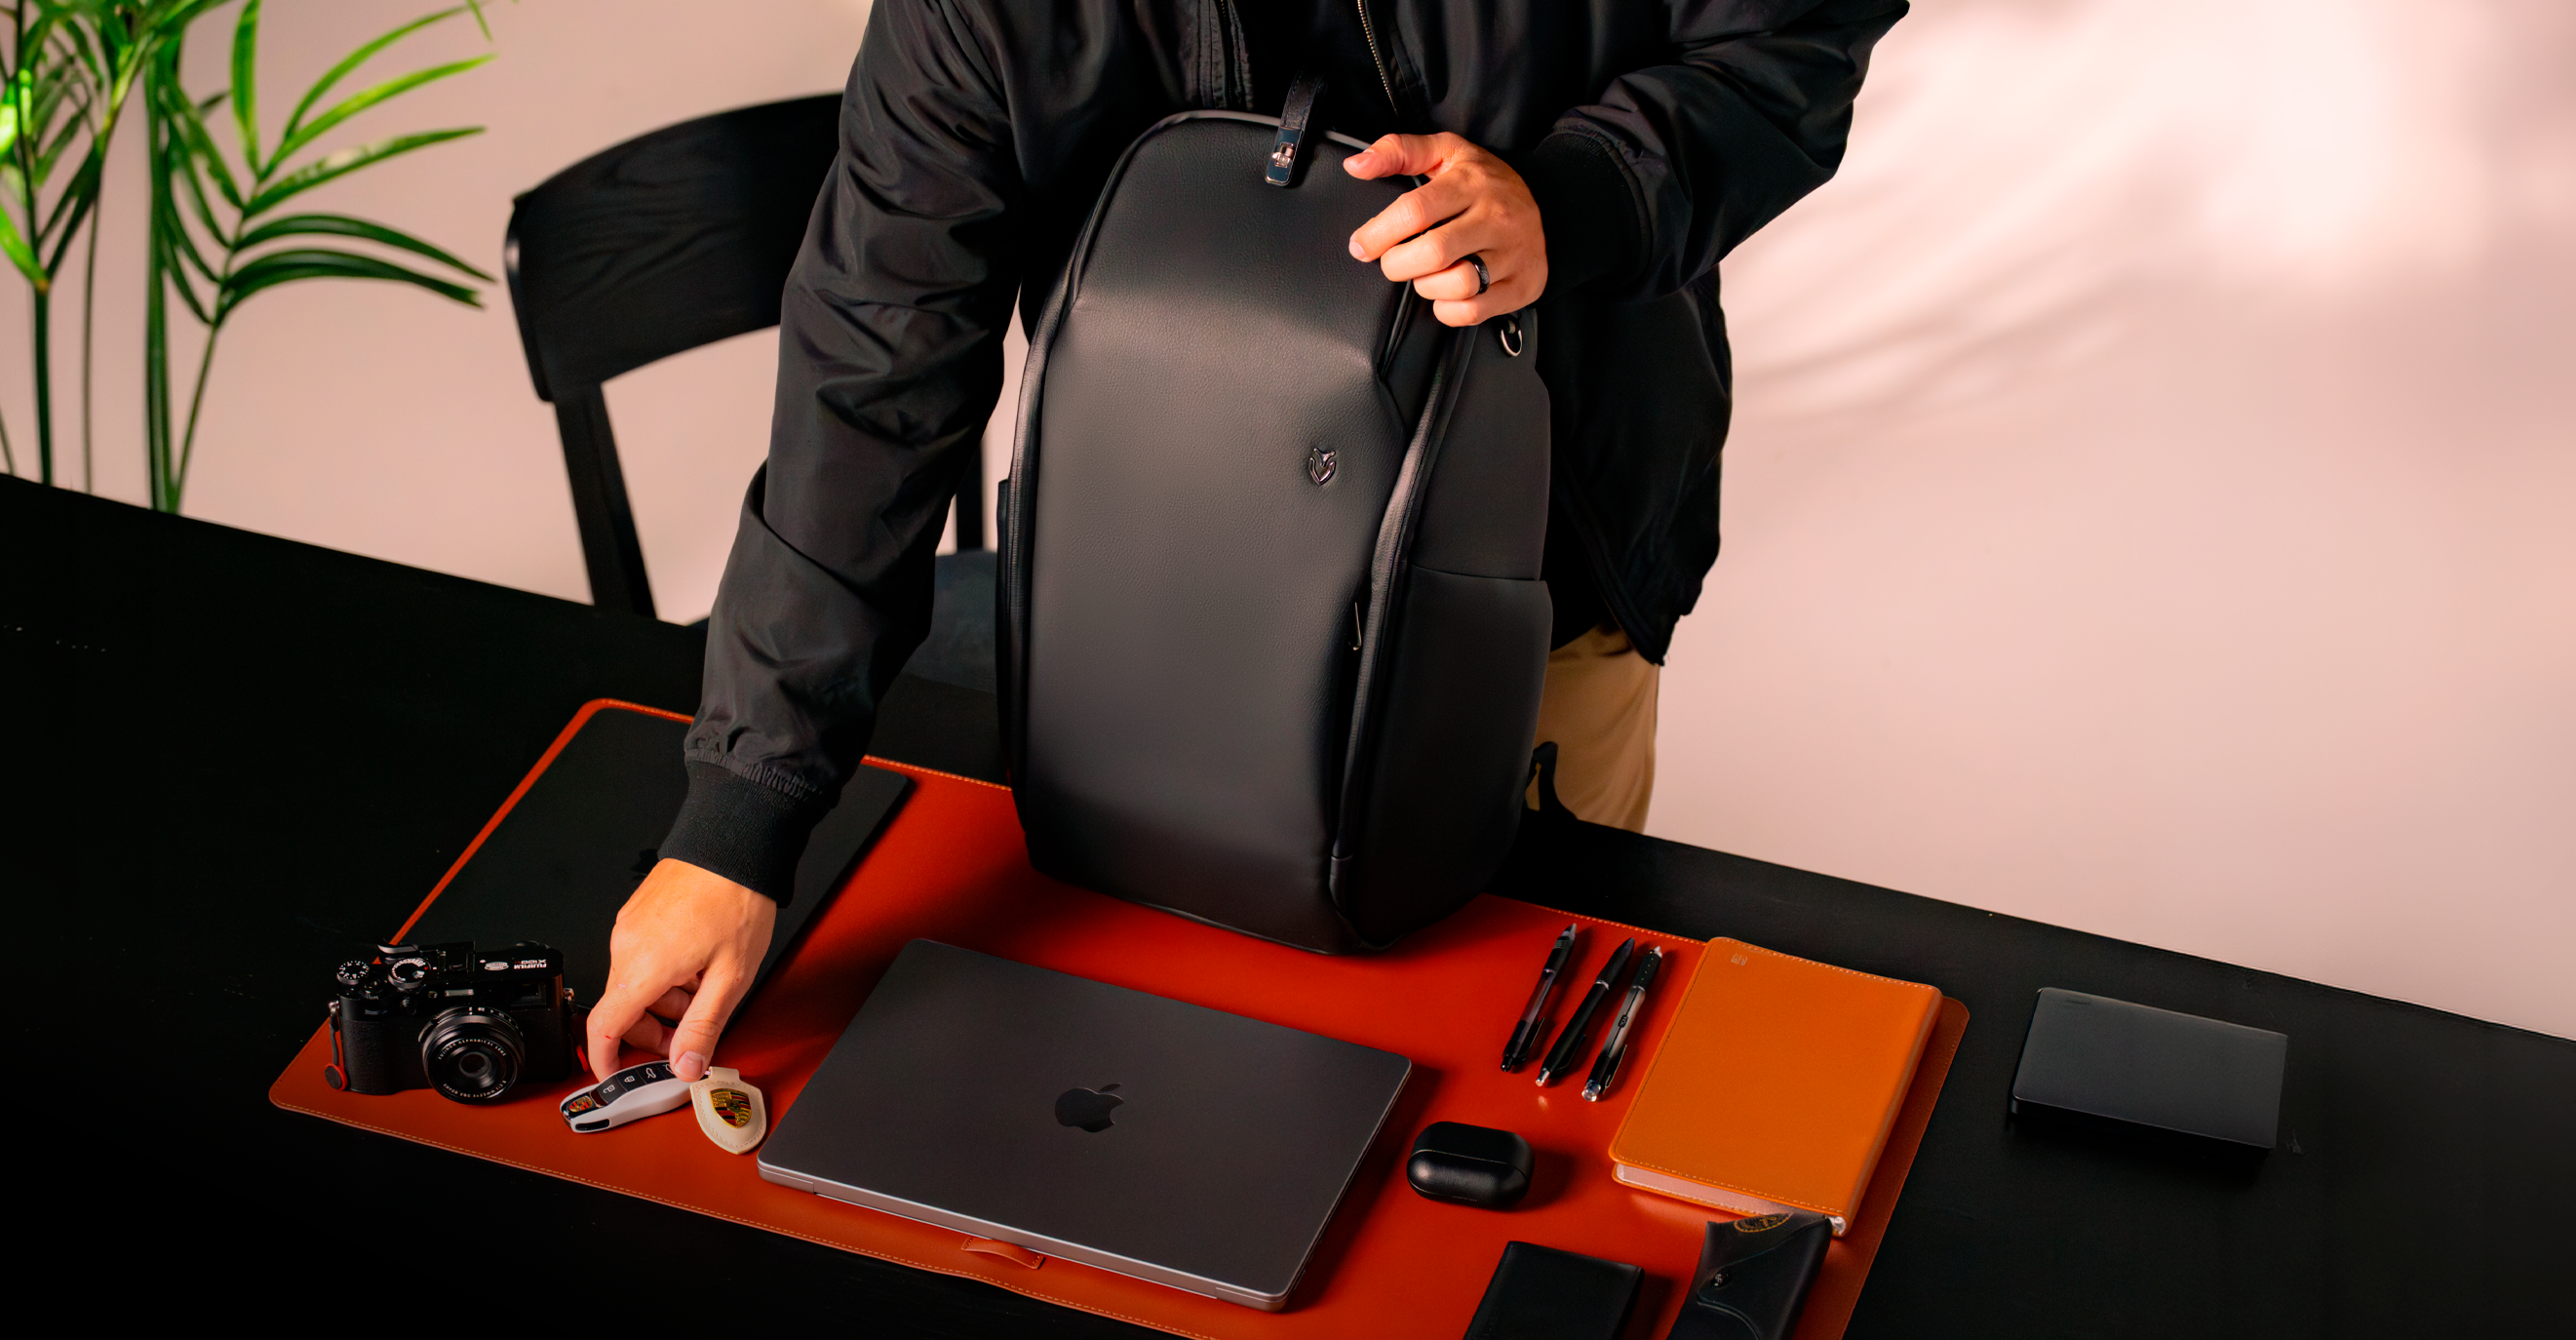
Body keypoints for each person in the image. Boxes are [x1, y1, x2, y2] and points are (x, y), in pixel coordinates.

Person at [586, 0, 1905, 1083]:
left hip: (1539, 595)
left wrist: (1574, 199)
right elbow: (870, 377)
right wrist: (737, 821)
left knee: (1470, 1107)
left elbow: (1786, 32)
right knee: (1131, 1123)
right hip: (1132, 644)